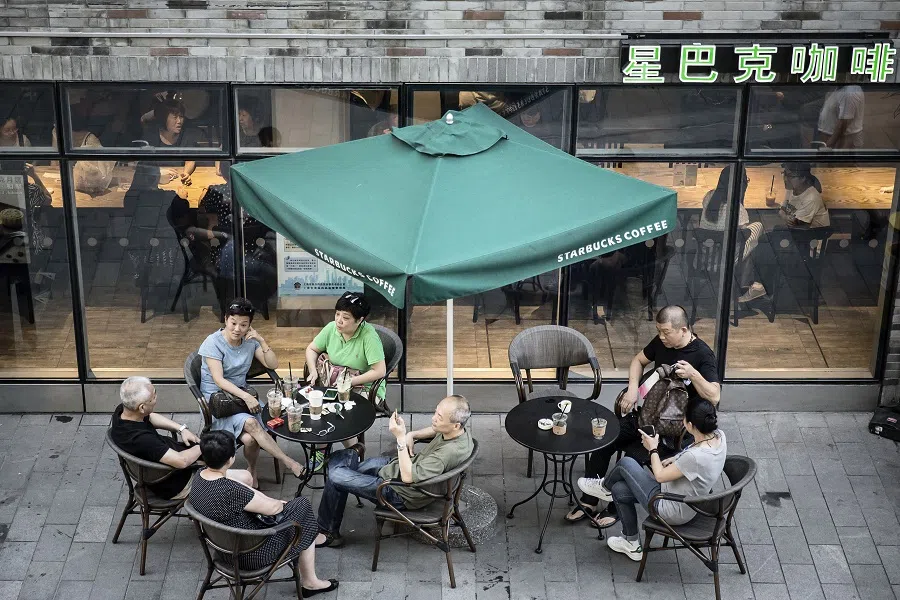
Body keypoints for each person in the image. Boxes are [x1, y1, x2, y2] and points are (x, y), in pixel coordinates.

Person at [568, 305, 720, 524]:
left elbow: (714, 396)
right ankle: (590, 500)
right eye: (659, 331)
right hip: (646, 416)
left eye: (666, 332)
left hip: (673, 431)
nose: (661, 337)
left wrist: (693, 374)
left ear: (684, 330)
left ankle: (615, 507)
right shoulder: (662, 342)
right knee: (605, 439)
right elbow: (638, 361)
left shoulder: (702, 355)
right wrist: (632, 390)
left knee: (632, 459)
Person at [189, 430, 338, 596]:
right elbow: (274, 509)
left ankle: (310, 538)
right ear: (231, 459)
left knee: (289, 509)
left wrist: (267, 499)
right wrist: (280, 504)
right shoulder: (230, 491)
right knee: (302, 506)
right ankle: (310, 582)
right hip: (251, 553)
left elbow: (242, 486)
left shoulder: (199, 477)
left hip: (223, 550)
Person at [316, 395, 474, 548]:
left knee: (336, 474)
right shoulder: (460, 433)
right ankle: (349, 457)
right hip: (401, 466)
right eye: (435, 412)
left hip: (399, 492)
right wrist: (413, 434)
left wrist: (401, 438)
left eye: (439, 417)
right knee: (342, 473)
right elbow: (436, 429)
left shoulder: (445, 454)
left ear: (455, 425)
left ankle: (328, 531)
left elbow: (407, 478)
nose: (433, 418)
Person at [593, 397, 726, 561]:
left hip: (671, 508)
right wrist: (677, 459)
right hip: (691, 501)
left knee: (626, 463)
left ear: (690, 425)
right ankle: (630, 542)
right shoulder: (719, 437)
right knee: (619, 490)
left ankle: (602, 487)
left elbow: (660, 476)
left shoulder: (695, 457)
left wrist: (653, 448)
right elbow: (695, 456)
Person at [199, 297, 305, 485]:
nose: (237, 329)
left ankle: (252, 472)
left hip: (239, 397)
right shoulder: (212, 342)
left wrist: (261, 341)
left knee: (250, 439)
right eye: (233, 323)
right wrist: (247, 396)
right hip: (218, 402)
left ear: (249, 326)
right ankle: (289, 462)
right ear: (225, 320)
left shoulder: (249, 341)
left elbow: (272, 364)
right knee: (253, 424)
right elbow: (219, 380)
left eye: (243, 325)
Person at [305, 291, 387, 458]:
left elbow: (380, 371)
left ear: (360, 320)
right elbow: (312, 349)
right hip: (335, 382)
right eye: (337, 314)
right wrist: (313, 370)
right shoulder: (331, 328)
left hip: (365, 386)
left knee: (339, 412)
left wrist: (350, 381)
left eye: (346, 317)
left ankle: (353, 453)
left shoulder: (369, 336)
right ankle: (322, 450)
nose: (339, 321)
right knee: (318, 406)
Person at [109, 376, 202, 500]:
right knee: (221, 457)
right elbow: (182, 461)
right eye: (153, 397)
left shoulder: (123, 412)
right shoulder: (142, 440)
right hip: (174, 483)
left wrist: (181, 429)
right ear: (142, 407)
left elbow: (150, 417)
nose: (156, 398)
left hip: (159, 465)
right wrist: (204, 446)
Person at [699, 165, 767, 303]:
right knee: (756, 231)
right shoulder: (739, 210)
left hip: (705, 258)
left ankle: (747, 282)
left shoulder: (708, 196)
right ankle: (748, 283)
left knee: (748, 239)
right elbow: (743, 236)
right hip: (725, 261)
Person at [778, 163, 830, 229]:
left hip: (812, 235)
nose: (785, 179)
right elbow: (782, 209)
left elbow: (794, 225)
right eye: (784, 174)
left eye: (790, 176)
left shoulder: (811, 199)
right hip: (796, 229)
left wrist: (784, 215)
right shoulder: (793, 188)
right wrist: (784, 216)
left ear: (803, 178)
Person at [816, 85, 864, 150]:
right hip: (831, 140)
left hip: (842, 142)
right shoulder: (839, 87)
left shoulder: (849, 93)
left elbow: (843, 124)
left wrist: (827, 147)